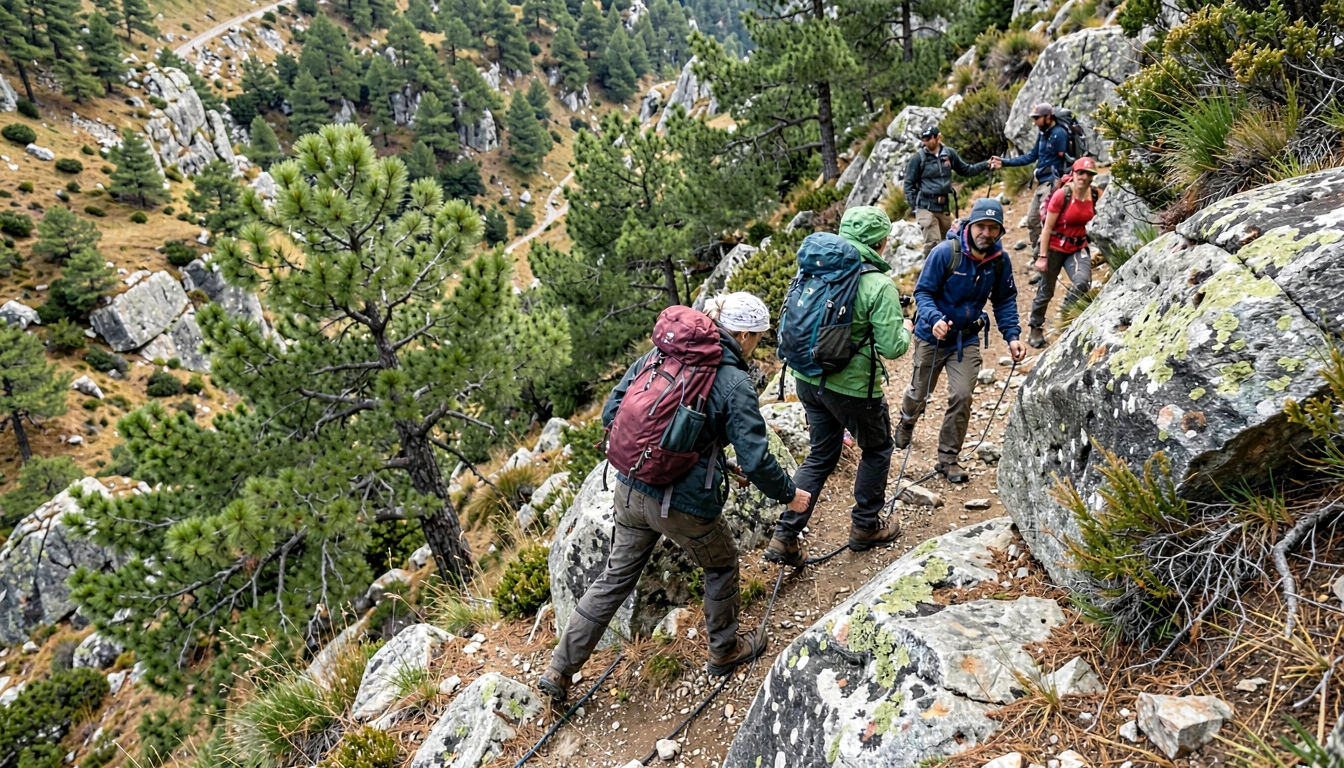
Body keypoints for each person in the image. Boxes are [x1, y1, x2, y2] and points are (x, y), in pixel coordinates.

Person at [538, 294, 811, 702]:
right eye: (757, 337)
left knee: (615, 577)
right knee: (720, 564)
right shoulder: (734, 381)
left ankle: (559, 669)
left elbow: (612, 411)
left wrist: (659, 455)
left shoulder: (662, 352)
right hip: (680, 505)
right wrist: (790, 496)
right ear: (742, 333)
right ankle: (724, 650)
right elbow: (756, 459)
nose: (757, 345)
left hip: (628, 487)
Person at [764, 206, 912, 568]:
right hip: (853, 390)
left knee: (820, 455)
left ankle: (785, 535)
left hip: (808, 378)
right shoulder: (878, 284)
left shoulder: (813, 269)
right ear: (880, 240)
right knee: (877, 448)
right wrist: (905, 328)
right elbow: (893, 348)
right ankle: (865, 526)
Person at [894, 199, 1026, 483]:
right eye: (981, 226)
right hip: (932, 336)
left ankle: (948, 459)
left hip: (966, 340)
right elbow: (923, 292)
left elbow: (1004, 300)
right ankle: (906, 422)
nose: (986, 233)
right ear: (971, 225)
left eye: (993, 228)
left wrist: (1012, 336)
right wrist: (934, 319)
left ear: (1000, 231)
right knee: (919, 393)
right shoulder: (945, 253)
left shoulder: (999, 261)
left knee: (962, 395)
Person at [1028, 157, 1100, 348]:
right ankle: (1035, 326)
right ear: (1073, 173)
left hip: (1077, 248)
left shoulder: (1095, 195)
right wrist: (1042, 257)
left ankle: (1065, 319)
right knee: (1046, 291)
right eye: (1080, 172)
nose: (1083, 177)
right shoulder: (1062, 195)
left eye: (1088, 174)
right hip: (1054, 248)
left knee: (1082, 282)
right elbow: (1047, 228)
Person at [990, 103, 1072, 254]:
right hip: (1041, 183)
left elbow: (1064, 160)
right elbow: (1032, 156)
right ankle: (1038, 255)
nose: (1035, 122)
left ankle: (1047, 259)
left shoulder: (1059, 134)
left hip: (1052, 184)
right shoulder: (1042, 134)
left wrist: (1060, 184)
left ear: (1048, 117)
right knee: (1033, 219)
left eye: (1037, 118)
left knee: (1047, 222)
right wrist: (1005, 162)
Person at [905, 126, 992, 256]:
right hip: (925, 206)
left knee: (948, 242)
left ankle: (946, 272)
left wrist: (986, 164)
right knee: (933, 243)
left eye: (928, 139)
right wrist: (915, 206)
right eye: (923, 139)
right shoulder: (918, 159)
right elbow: (908, 184)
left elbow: (966, 170)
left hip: (943, 206)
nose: (925, 142)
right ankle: (929, 272)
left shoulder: (949, 154)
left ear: (937, 138)